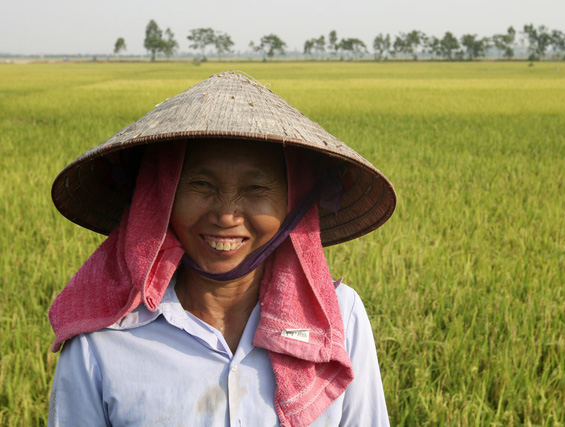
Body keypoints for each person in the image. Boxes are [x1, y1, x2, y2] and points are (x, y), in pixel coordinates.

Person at [48, 71, 396, 426]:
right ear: (160, 196)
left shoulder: (339, 317)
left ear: (293, 204)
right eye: (201, 184)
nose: (226, 214)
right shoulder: (103, 337)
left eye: (256, 189)